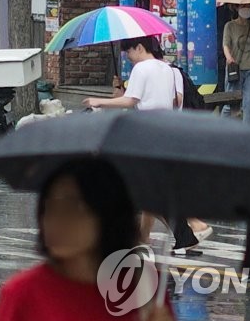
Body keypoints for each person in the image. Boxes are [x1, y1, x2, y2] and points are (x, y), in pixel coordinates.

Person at [0, 160, 179, 321]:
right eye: (50, 208)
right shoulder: (23, 293)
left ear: (107, 215)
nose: (56, 222)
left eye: (72, 209)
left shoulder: (143, 289)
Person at [85, 38, 210, 253]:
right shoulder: (169, 69)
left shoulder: (141, 69)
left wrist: (99, 101)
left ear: (140, 48)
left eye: (129, 53)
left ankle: (184, 232)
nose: (129, 58)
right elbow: (175, 101)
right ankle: (177, 235)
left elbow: (130, 100)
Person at [221, 4, 250, 124]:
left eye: (249, 6)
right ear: (237, 8)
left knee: (249, 104)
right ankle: (220, 129)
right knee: (230, 105)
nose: (246, 9)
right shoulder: (230, 26)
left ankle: (247, 133)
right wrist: (229, 58)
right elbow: (225, 44)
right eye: (244, 6)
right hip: (235, 69)